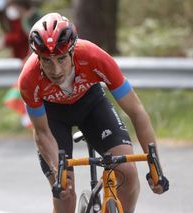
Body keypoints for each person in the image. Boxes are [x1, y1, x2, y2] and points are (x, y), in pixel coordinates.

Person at [18, 13, 169, 213]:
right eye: (47, 61)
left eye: (62, 58)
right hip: (53, 117)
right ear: (38, 57)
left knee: (128, 173)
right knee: (65, 192)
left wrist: (155, 168)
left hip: (91, 105)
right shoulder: (29, 79)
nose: (55, 70)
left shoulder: (94, 57)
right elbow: (42, 132)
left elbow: (137, 112)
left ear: (72, 50)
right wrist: (59, 174)